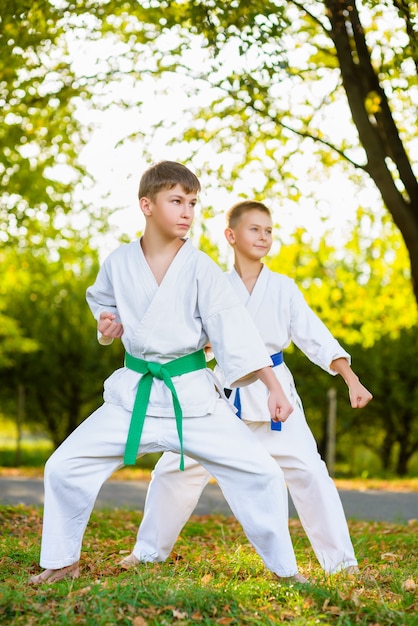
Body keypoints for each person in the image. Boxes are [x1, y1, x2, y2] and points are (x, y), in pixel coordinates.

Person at [29, 163, 308, 585]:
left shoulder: (200, 267)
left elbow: (235, 331)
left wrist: (271, 386)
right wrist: (108, 325)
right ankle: (62, 560)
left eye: (192, 203)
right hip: (133, 397)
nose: (187, 212)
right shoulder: (119, 262)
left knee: (262, 472)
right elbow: (105, 306)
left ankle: (286, 572)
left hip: (192, 399)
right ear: (147, 205)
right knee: (64, 466)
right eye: (176, 201)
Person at [123, 199, 373, 576]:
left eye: (269, 230)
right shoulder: (212, 285)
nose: (263, 236)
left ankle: (341, 563)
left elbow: (315, 338)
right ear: (231, 235)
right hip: (221, 396)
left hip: (277, 401)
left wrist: (350, 378)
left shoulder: (284, 289)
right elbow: (183, 336)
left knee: (310, 473)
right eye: (254, 229)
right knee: (174, 471)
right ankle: (146, 553)